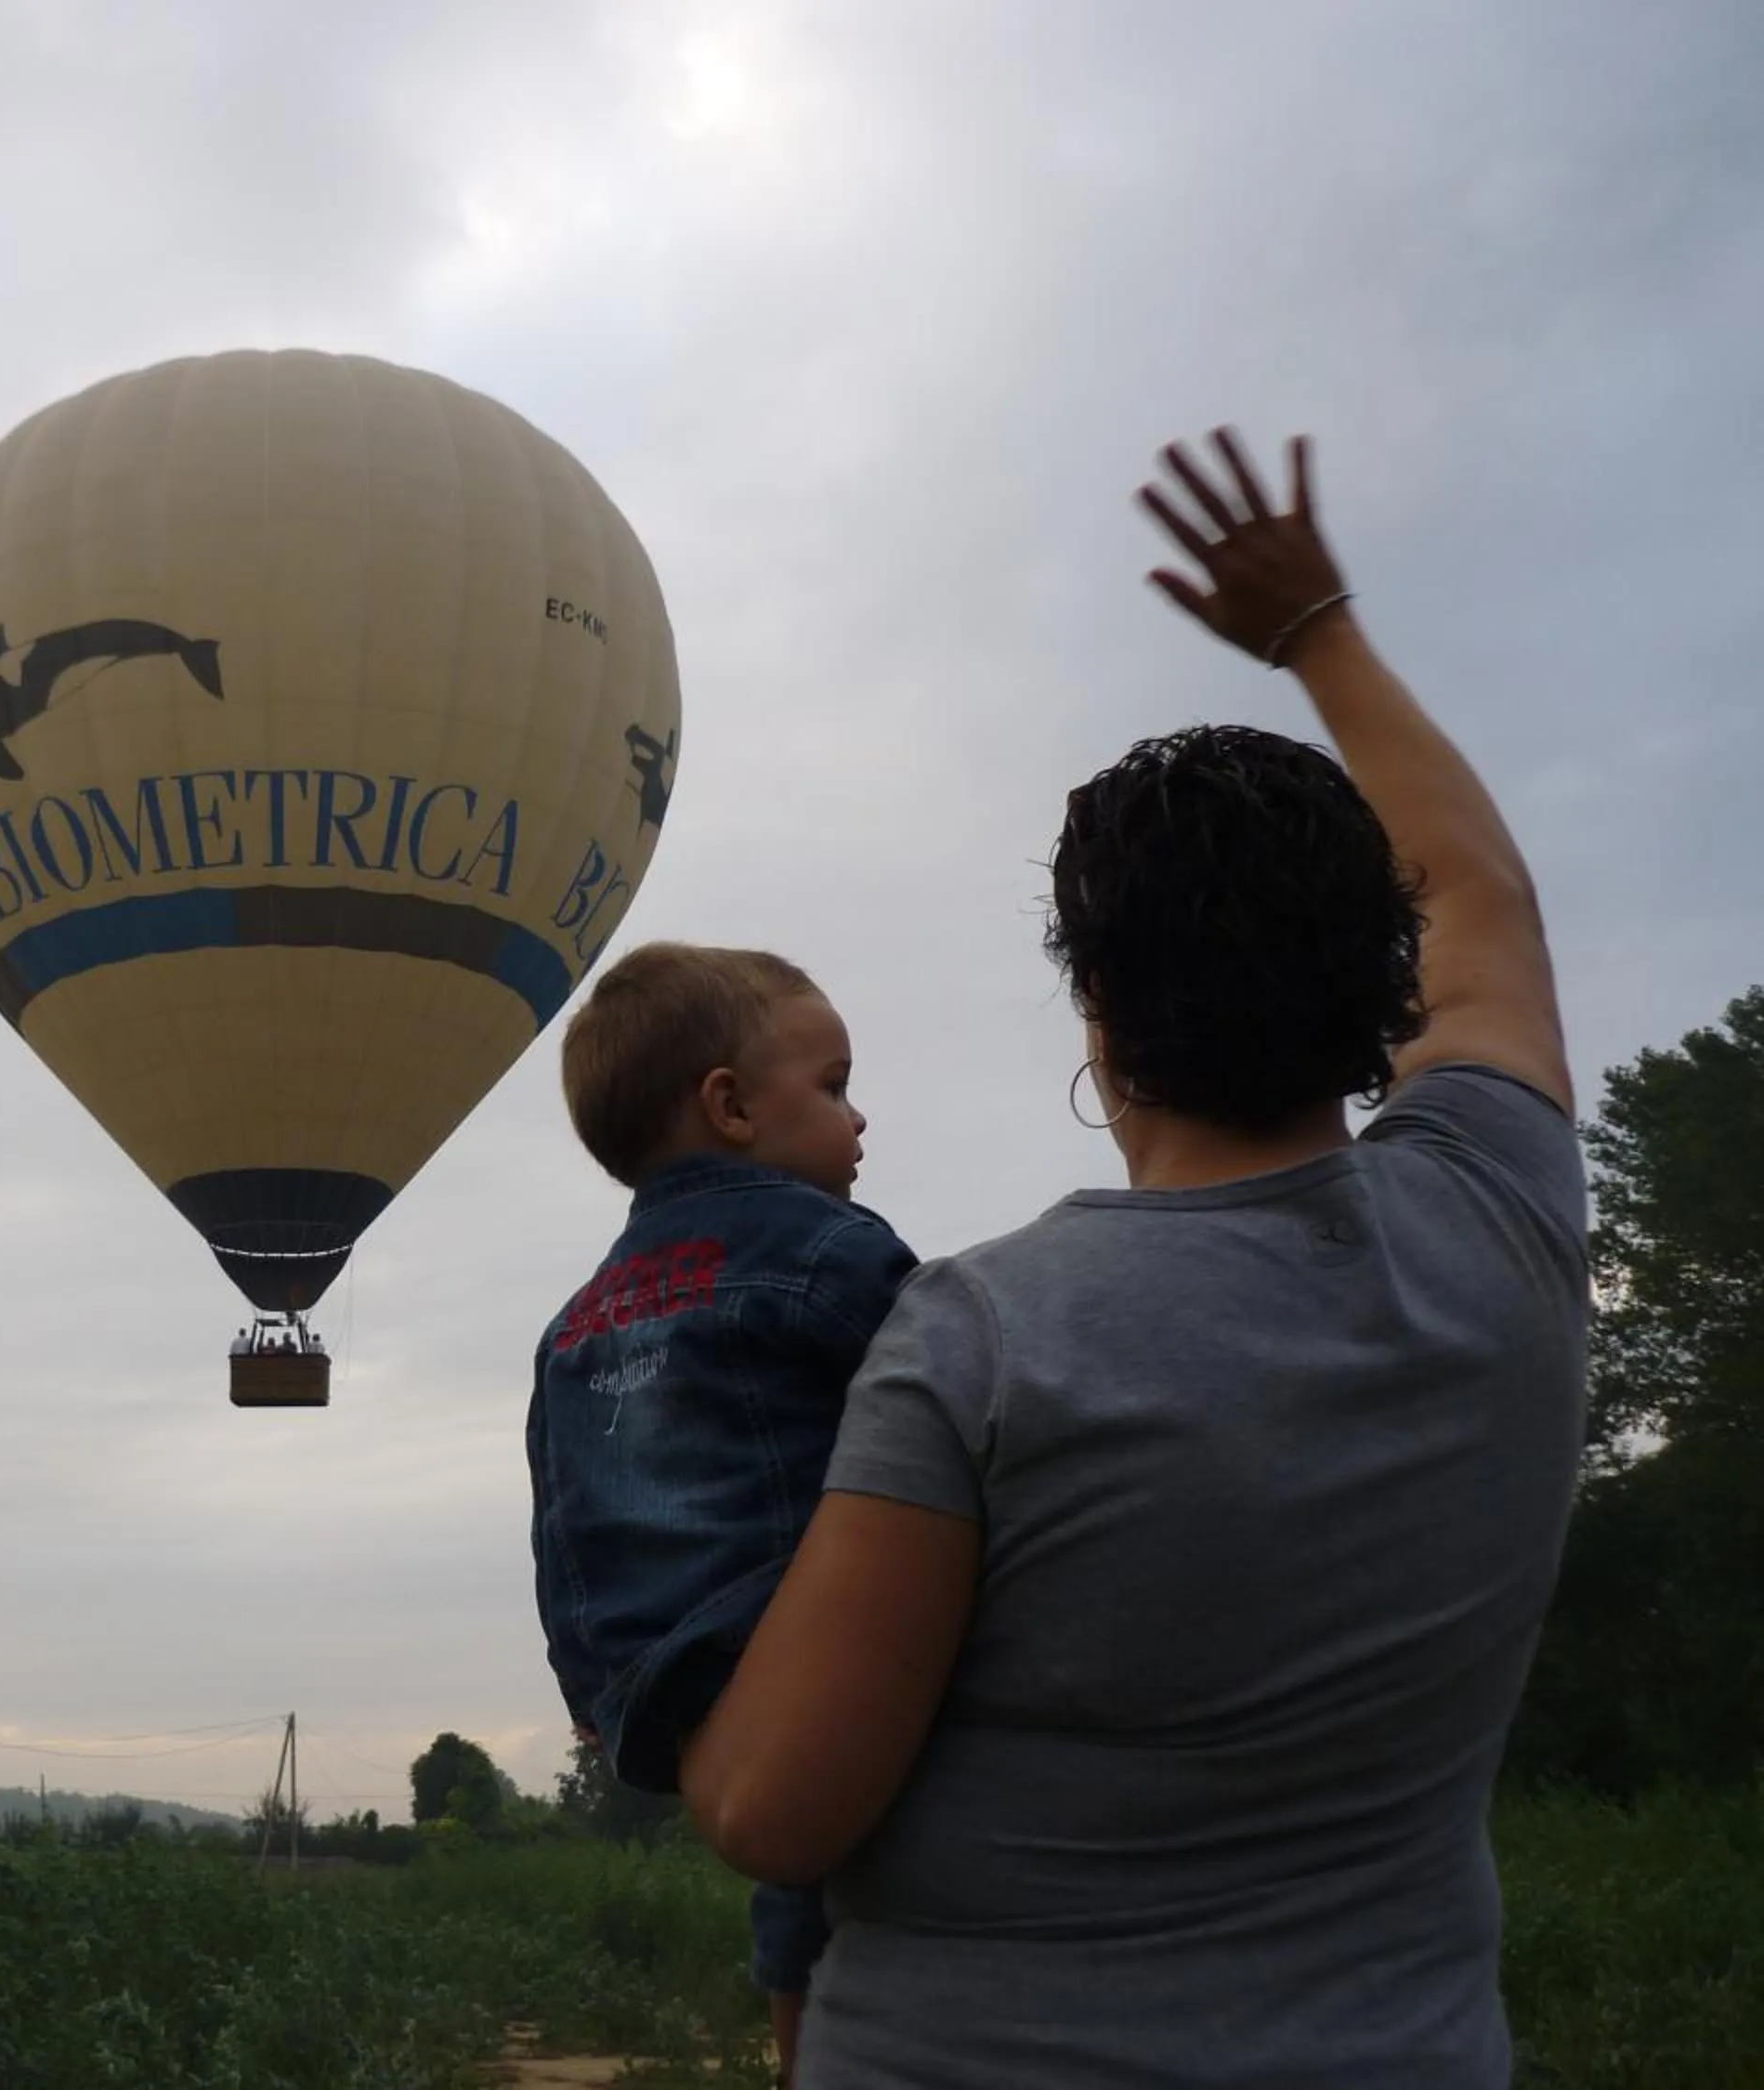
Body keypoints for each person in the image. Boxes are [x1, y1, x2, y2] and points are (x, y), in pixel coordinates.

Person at [676, 430, 1588, 2086]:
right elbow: (1492, 903)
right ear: (1387, 989)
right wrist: (1321, 625)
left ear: (1095, 1008)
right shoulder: (1508, 1224)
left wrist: (653, 1636)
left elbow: (768, 1807)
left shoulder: (979, 1343)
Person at [525, 941, 918, 2083]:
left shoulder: (570, 1326)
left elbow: (562, 1521)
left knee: (797, 1882)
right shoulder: (835, 1253)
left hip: (666, 1687)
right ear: (732, 1106)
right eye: (834, 1086)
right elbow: (957, 1409)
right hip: (808, 1633)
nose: (858, 1122)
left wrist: (591, 1693)